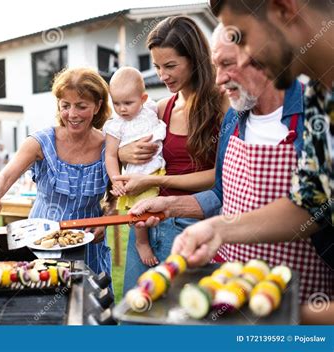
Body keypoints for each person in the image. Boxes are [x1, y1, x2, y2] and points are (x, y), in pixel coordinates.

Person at [130, 23, 334, 303]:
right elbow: (220, 195)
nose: (218, 79)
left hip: (301, 290)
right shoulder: (234, 121)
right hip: (234, 285)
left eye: (228, 63)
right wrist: (170, 205)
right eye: (216, 65)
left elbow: (315, 208)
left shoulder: (316, 116)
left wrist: (218, 228)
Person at [118, 16, 225, 293]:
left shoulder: (221, 104)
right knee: (136, 314)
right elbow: (123, 137)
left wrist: (156, 182)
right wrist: (122, 152)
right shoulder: (161, 107)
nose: (162, 75)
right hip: (145, 223)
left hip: (188, 227)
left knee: (181, 316)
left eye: (170, 66)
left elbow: (220, 178)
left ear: (193, 59)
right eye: (156, 66)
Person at [0, 67, 113, 279]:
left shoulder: (110, 146)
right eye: (65, 106)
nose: (72, 114)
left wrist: (105, 220)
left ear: (97, 106)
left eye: (81, 106)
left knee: (89, 305)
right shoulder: (41, 142)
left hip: (89, 245)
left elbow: (117, 194)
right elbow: (4, 177)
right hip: (42, 241)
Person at [103, 66, 166, 266]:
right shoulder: (116, 125)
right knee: (139, 213)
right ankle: (141, 242)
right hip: (137, 175)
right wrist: (116, 180)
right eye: (116, 103)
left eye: (128, 103)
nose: (122, 109)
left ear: (143, 99)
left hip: (160, 170)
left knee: (157, 212)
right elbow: (110, 156)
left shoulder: (151, 109)